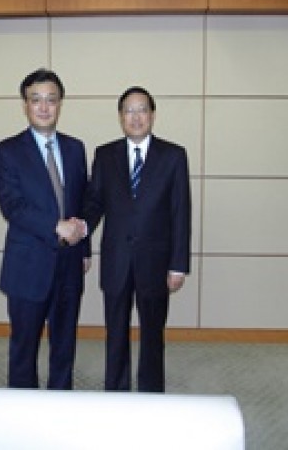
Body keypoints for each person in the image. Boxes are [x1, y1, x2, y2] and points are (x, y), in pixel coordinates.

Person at [83, 86, 191, 392]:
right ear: (120, 117)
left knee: (153, 334)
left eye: (142, 110)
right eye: (129, 111)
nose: (136, 117)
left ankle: (151, 393)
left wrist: (178, 265)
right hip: (116, 259)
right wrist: (81, 235)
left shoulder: (173, 156)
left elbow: (180, 211)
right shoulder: (105, 155)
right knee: (115, 332)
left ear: (152, 115)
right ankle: (116, 392)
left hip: (156, 262)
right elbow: (94, 204)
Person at [0, 68, 89, 389]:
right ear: (25, 105)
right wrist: (55, 226)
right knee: (24, 348)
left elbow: (81, 202)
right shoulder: (8, 150)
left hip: (69, 264)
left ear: (60, 104)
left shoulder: (75, 148)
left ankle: (59, 404)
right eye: (36, 100)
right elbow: (12, 206)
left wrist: (84, 249)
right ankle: (23, 409)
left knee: (64, 346)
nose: (44, 107)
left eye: (51, 99)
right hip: (28, 265)